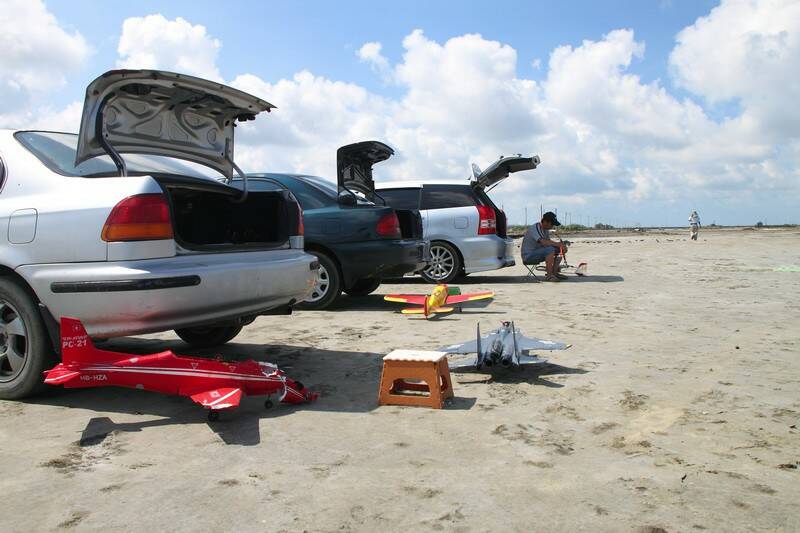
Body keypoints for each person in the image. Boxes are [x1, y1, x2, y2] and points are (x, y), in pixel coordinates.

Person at [521, 211, 567, 282]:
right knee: (550, 249)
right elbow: (544, 243)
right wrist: (558, 244)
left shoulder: (545, 230)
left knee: (561, 249)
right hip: (528, 256)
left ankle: (554, 273)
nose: (552, 227)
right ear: (545, 222)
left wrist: (561, 246)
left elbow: (549, 243)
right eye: (552, 224)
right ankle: (549, 276)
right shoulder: (535, 228)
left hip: (538, 253)